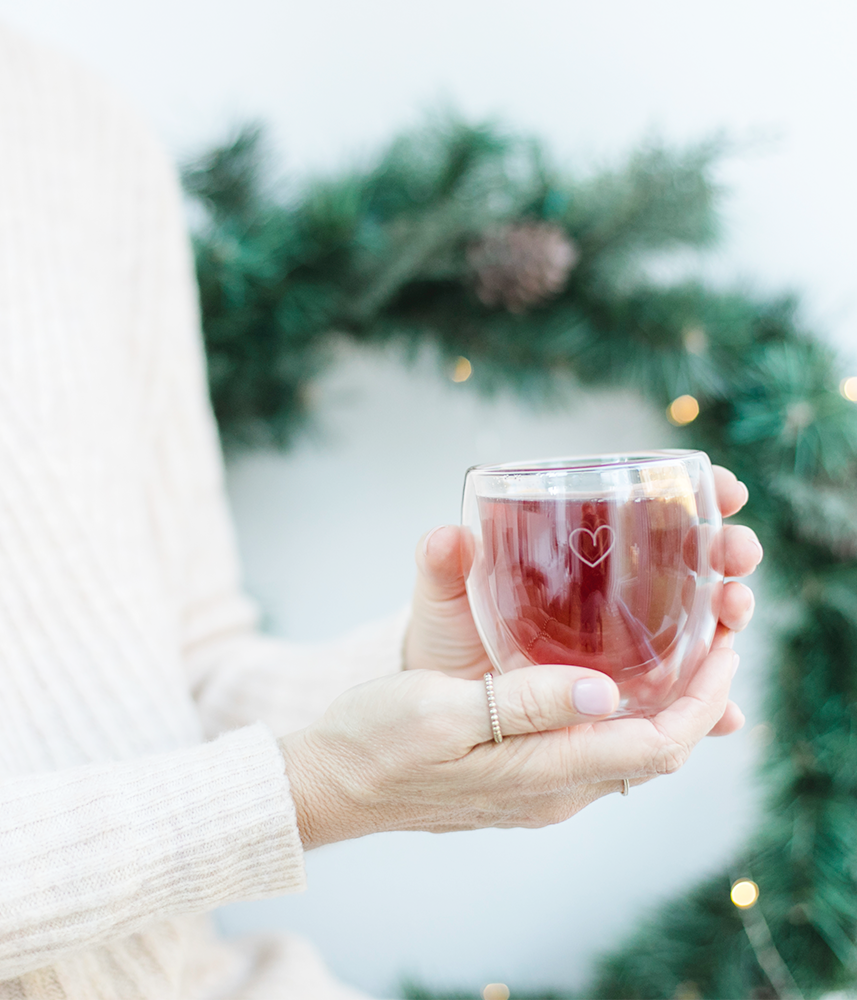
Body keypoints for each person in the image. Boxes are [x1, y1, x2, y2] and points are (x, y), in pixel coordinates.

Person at [0, 20, 762, 1000]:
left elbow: (193, 669)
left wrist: (458, 670)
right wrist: (312, 788)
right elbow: (289, 779)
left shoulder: (75, 126)